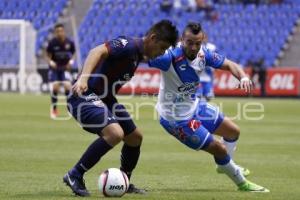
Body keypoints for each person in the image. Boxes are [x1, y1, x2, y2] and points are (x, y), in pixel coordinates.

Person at [148, 22, 269, 192]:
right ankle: (243, 184)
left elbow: (229, 64)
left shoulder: (204, 54)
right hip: (176, 119)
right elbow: (144, 54)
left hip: (195, 106)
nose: (194, 47)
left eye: (197, 43)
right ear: (182, 39)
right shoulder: (169, 58)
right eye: (190, 42)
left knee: (233, 132)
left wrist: (243, 77)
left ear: (202, 40)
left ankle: (224, 165)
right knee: (219, 149)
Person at [63, 20, 178, 197]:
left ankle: (124, 180)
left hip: (105, 98)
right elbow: (97, 51)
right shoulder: (128, 45)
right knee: (115, 133)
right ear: (152, 38)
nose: (160, 53)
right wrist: (83, 79)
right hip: (83, 95)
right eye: (161, 48)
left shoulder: (138, 56)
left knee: (135, 137)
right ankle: (74, 174)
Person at [45, 24, 76, 119]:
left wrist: (71, 61)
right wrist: (50, 62)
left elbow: (74, 52)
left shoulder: (69, 42)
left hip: (65, 68)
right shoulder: (52, 43)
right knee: (55, 88)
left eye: (61, 31)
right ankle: (54, 109)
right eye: (57, 31)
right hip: (55, 69)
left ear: (64, 31)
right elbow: (47, 55)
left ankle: (69, 108)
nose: (59, 33)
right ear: (55, 32)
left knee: (68, 87)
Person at [196, 34, 216, 101]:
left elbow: (215, 58)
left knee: (209, 96)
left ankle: (204, 107)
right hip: (197, 74)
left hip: (207, 74)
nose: (203, 40)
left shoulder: (212, 47)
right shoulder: (195, 46)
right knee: (197, 96)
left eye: (204, 38)